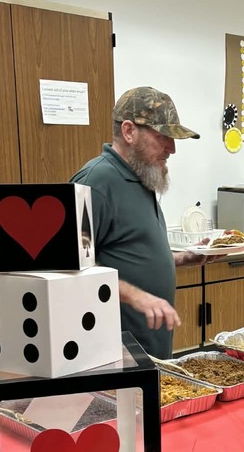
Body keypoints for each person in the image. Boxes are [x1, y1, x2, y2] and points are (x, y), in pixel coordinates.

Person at [71, 86, 218, 358]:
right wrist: (137, 297)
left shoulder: (143, 177)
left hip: (149, 349)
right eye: (163, 137)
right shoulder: (95, 182)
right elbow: (71, 269)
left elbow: (127, 253)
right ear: (129, 131)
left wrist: (181, 258)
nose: (172, 149)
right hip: (112, 354)